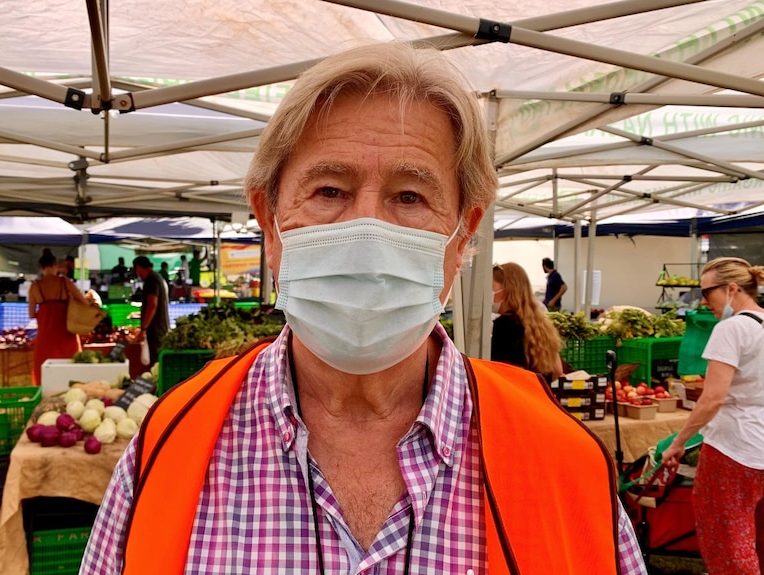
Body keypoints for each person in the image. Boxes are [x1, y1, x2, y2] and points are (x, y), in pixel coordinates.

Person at [81, 42, 645, 574]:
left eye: (410, 196)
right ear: (270, 224)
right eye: (329, 190)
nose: (366, 230)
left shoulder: (564, 461)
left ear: (462, 236)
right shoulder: (169, 442)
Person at [661, 256, 764, 575]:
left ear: (732, 288)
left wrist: (678, 442)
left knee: (727, 537)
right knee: (754, 536)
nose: (704, 302)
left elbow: (712, 398)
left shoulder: (731, 329)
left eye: (708, 293)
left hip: (734, 449)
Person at [27, 249, 91, 385]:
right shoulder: (64, 282)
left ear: (40, 267)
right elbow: (83, 301)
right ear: (55, 266)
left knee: (45, 370)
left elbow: (31, 314)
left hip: (45, 335)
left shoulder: (34, 286)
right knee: (70, 366)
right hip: (66, 333)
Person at [491, 263, 564, 381]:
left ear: (508, 288)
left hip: (515, 395)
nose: (489, 292)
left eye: (492, 286)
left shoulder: (504, 325)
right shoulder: (542, 323)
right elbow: (557, 370)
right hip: (538, 395)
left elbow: (501, 372)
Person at [132, 256, 169, 365]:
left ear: (138, 268)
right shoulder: (158, 277)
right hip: (161, 328)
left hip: (155, 330)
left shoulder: (151, 280)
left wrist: (143, 329)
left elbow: (152, 305)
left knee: (156, 365)